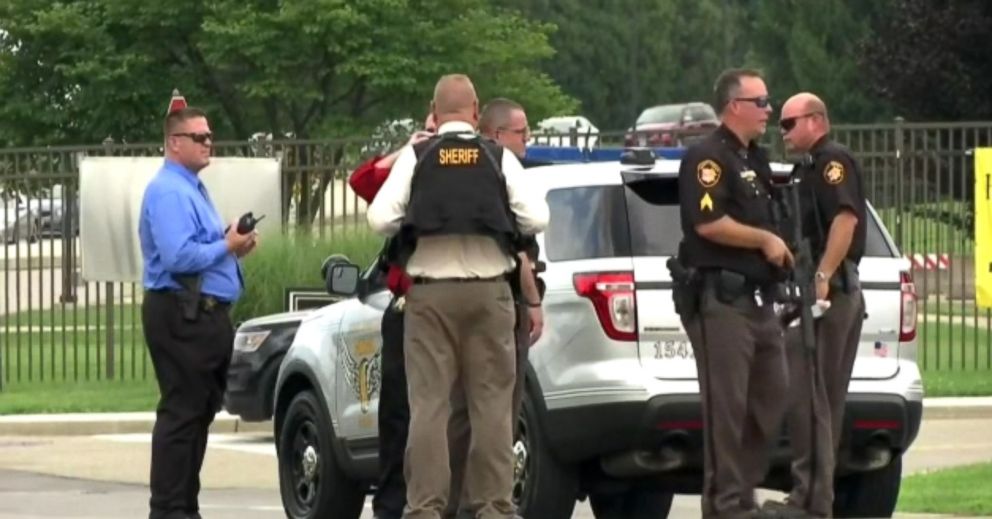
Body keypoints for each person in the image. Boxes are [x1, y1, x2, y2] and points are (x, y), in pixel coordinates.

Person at [367, 74, 548, 519]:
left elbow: (379, 219)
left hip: (429, 297)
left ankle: (426, 508)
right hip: (489, 296)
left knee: (428, 406)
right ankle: (493, 507)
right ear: (474, 109)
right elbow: (536, 217)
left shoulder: (417, 156)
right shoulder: (497, 157)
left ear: (434, 107)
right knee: (491, 408)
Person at [672, 68, 793, 519]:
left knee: (772, 398)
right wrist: (763, 241)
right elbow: (708, 223)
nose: (769, 110)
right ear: (734, 106)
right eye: (761, 102)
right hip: (722, 302)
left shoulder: (754, 160)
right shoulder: (708, 158)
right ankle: (727, 505)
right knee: (727, 410)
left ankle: (741, 493)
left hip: (761, 303)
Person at [139, 107, 257, 519]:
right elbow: (179, 256)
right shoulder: (170, 190)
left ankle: (183, 506)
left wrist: (230, 240)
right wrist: (227, 246)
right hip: (182, 313)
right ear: (175, 143)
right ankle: (170, 510)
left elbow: (199, 244)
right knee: (182, 414)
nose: (209, 143)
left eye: (209, 136)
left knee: (197, 412)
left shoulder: (190, 187)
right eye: (199, 137)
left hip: (202, 316)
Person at [762, 93, 867, 519]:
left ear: (816, 121)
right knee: (818, 401)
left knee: (811, 400)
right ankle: (814, 497)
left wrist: (822, 276)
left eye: (789, 124)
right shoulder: (808, 168)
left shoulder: (830, 161)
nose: (782, 133)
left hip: (831, 293)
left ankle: (810, 500)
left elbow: (845, 220)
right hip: (823, 292)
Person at [445, 97, 545, 518]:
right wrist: (534, 301)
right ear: (496, 135)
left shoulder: (452, 173)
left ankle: (453, 503)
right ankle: (487, 505)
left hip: (452, 305)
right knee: (497, 412)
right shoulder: (502, 172)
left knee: (457, 412)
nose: (528, 140)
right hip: (499, 304)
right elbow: (522, 252)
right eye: (521, 132)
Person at [350, 114, 436, 519]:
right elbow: (363, 182)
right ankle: (391, 504)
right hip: (408, 304)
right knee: (398, 413)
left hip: (448, 301)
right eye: (431, 126)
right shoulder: (412, 164)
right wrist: (408, 150)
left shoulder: (477, 168)